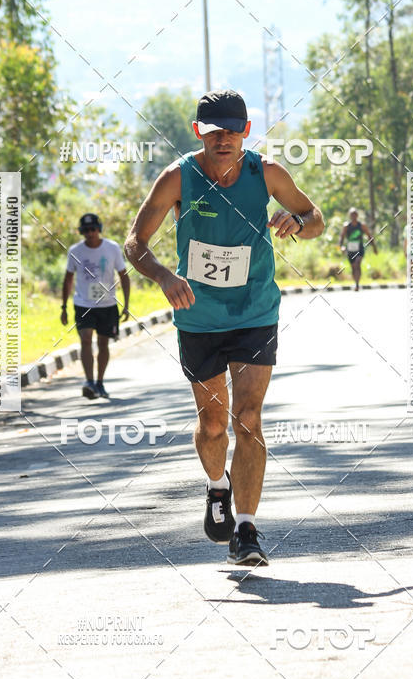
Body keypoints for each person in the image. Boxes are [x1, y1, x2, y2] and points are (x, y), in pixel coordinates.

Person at [125, 90, 324, 566]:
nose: (224, 139)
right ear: (199, 132)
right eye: (214, 131)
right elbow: (135, 242)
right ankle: (218, 487)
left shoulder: (267, 172)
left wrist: (296, 224)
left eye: (232, 130)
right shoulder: (178, 178)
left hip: (255, 310)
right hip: (199, 316)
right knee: (214, 425)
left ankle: (247, 529)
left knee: (248, 419)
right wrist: (164, 276)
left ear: (246, 131)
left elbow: (315, 218)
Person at [61, 213, 130, 400]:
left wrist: (126, 304)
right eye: (86, 231)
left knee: (103, 343)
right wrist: (63, 307)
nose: (90, 234)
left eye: (93, 229)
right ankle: (89, 381)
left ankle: (100, 382)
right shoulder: (76, 251)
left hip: (107, 304)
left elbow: (124, 275)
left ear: (99, 229)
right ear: (82, 232)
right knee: (85, 339)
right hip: (84, 303)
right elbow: (68, 279)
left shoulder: (112, 248)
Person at [339, 207, 377, 291]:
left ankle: (357, 284)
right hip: (350, 249)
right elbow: (341, 237)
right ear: (349, 215)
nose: (353, 216)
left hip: (359, 249)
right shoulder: (346, 226)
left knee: (357, 264)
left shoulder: (362, 225)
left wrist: (374, 247)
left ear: (357, 215)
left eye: (355, 214)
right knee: (353, 267)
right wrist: (341, 246)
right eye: (352, 214)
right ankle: (356, 282)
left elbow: (369, 236)